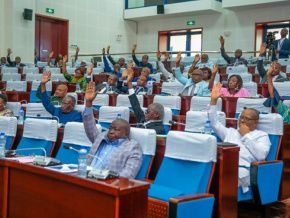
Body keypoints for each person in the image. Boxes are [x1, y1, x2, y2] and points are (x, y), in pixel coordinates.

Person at [209, 82, 271, 191]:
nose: (242, 121)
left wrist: (245, 135)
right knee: (205, 173)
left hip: (245, 171)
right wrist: (213, 101)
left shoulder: (261, 135)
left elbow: (261, 156)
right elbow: (214, 123)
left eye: (247, 119)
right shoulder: (231, 132)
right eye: (241, 117)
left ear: (255, 122)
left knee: (222, 177)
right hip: (225, 167)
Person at [83, 81, 143, 179]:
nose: (110, 131)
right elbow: (89, 127)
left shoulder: (133, 147)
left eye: (116, 130)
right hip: (85, 178)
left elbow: (128, 175)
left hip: (106, 184)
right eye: (110, 128)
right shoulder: (102, 137)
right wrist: (89, 103)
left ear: (126, 134)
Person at [127, 68, 165, 134]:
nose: (145, 112)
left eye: (147, 111)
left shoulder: (159, 129)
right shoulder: (143, 119)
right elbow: (135, 105)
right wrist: (129, 82)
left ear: (156, 115)